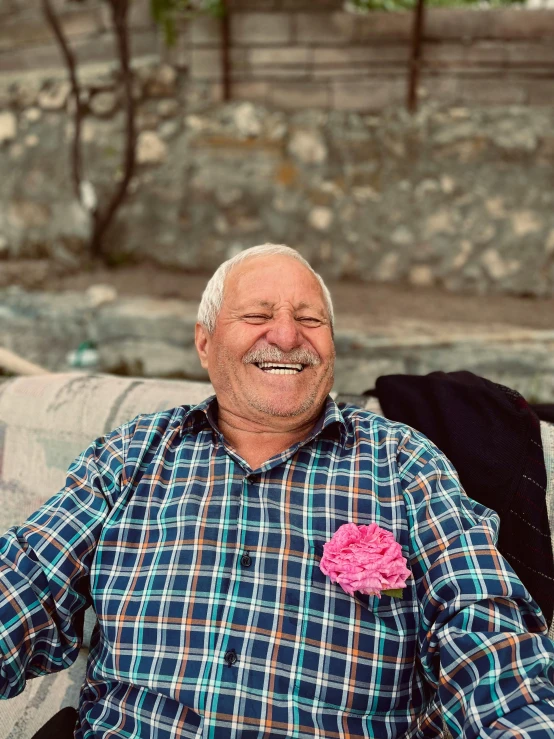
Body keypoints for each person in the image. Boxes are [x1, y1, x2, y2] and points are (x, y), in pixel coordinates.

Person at [1, 243, 554, 739]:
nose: (287, 335)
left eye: (310, 319)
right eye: (257, 315)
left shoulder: (403, 462)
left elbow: (487, 631)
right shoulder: (131, 456)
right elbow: (24, 583)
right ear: (204, 341)